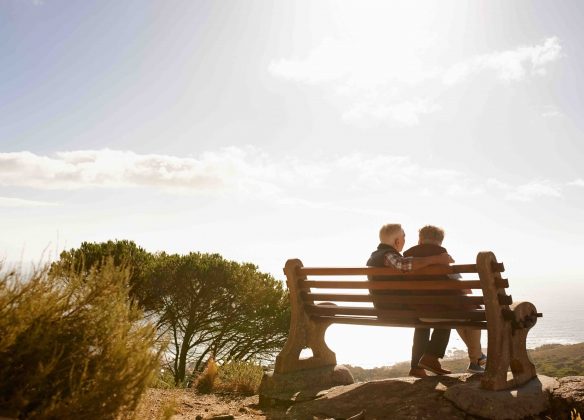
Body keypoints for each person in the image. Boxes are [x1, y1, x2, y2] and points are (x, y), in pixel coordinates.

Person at [366, 223, 454, 378]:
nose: (406, 240)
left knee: (423, 318)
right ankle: (431, 357)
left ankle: (417, 367)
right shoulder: (387, 256)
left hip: (387, 306)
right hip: (393, 309)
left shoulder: (377, 255)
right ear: (397, 241)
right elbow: (404, 265)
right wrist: (436, 259)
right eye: (404, 237)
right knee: (446, 313)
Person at [403, 225, 487, 374]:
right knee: (473, 313)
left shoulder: (406, 256)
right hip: (441, 311)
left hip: (418, 311)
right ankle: (476, 359)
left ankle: (477, 358)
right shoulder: (441, 254)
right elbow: (463, 287)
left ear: (420, 240)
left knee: (460, 314)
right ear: (440, 241)